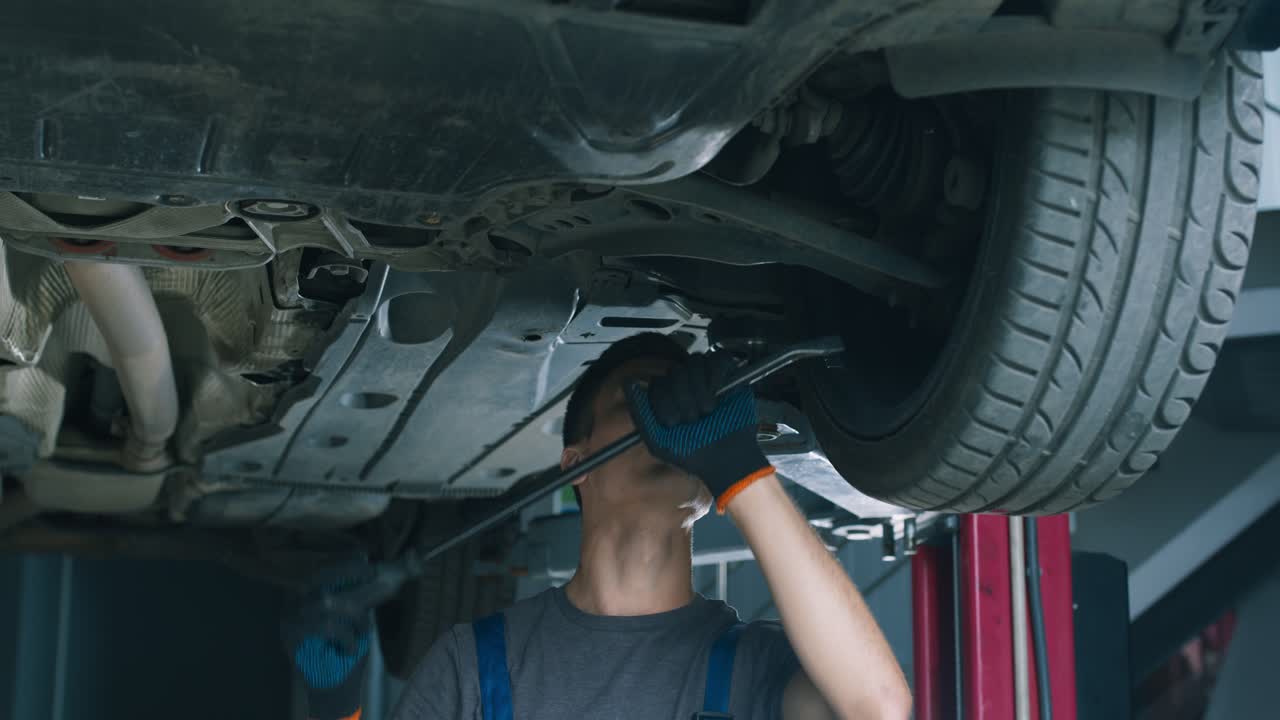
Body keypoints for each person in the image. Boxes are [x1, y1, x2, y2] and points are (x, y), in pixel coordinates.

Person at [392, 333, 911, 720]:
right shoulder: (475, 665)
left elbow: (877, 708)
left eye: (683, 408)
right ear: (577, 464)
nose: (666, 422)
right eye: (638, 401)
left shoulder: (752, 671)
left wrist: (742, 471)